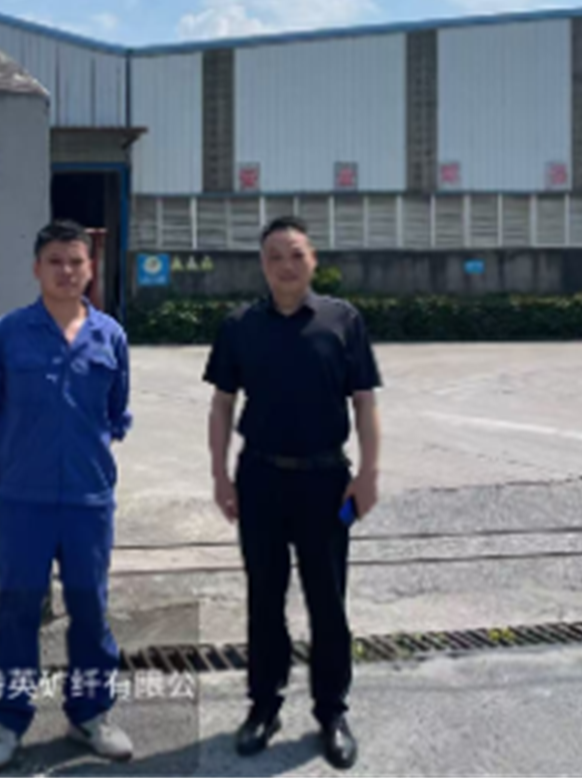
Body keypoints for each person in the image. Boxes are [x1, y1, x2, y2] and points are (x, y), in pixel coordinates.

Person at [202, 214, 382, 771]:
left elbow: (365, 402)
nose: (286, 265)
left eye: (296, 254)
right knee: (265, 597)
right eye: (275, 256)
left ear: (313, 260)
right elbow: (222, 404)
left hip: (328, 482)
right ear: (262, 264)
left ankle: (332, 712)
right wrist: (220, 475)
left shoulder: (342, 320)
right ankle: (264, 706)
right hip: (260, 478)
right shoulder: (240, 325)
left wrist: (368, 474)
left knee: (328, 600)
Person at [0, 219, 134, 772]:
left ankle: (89, 715)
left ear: (90, 269)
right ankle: (9, 718)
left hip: (89, 501)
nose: (66, 271)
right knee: (19, 608)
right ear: (37, 269)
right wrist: (2, 479)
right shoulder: (6, 336)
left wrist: (90, 458)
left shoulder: (110, 336)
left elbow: (117, 411)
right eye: (55, 262)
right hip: (24, 500)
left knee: (90, 608)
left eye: (76, 262)